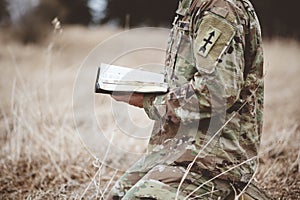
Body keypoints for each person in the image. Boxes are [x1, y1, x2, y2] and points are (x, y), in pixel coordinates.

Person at [109, 0, 270, 199]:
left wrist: (149, 102)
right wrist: (145, 85)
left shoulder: (219, 9)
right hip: (177, 152)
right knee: (117, 195)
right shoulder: (190, 6)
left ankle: (236, 192)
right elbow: (189, 76)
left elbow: (216, 91)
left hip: (211, 162)